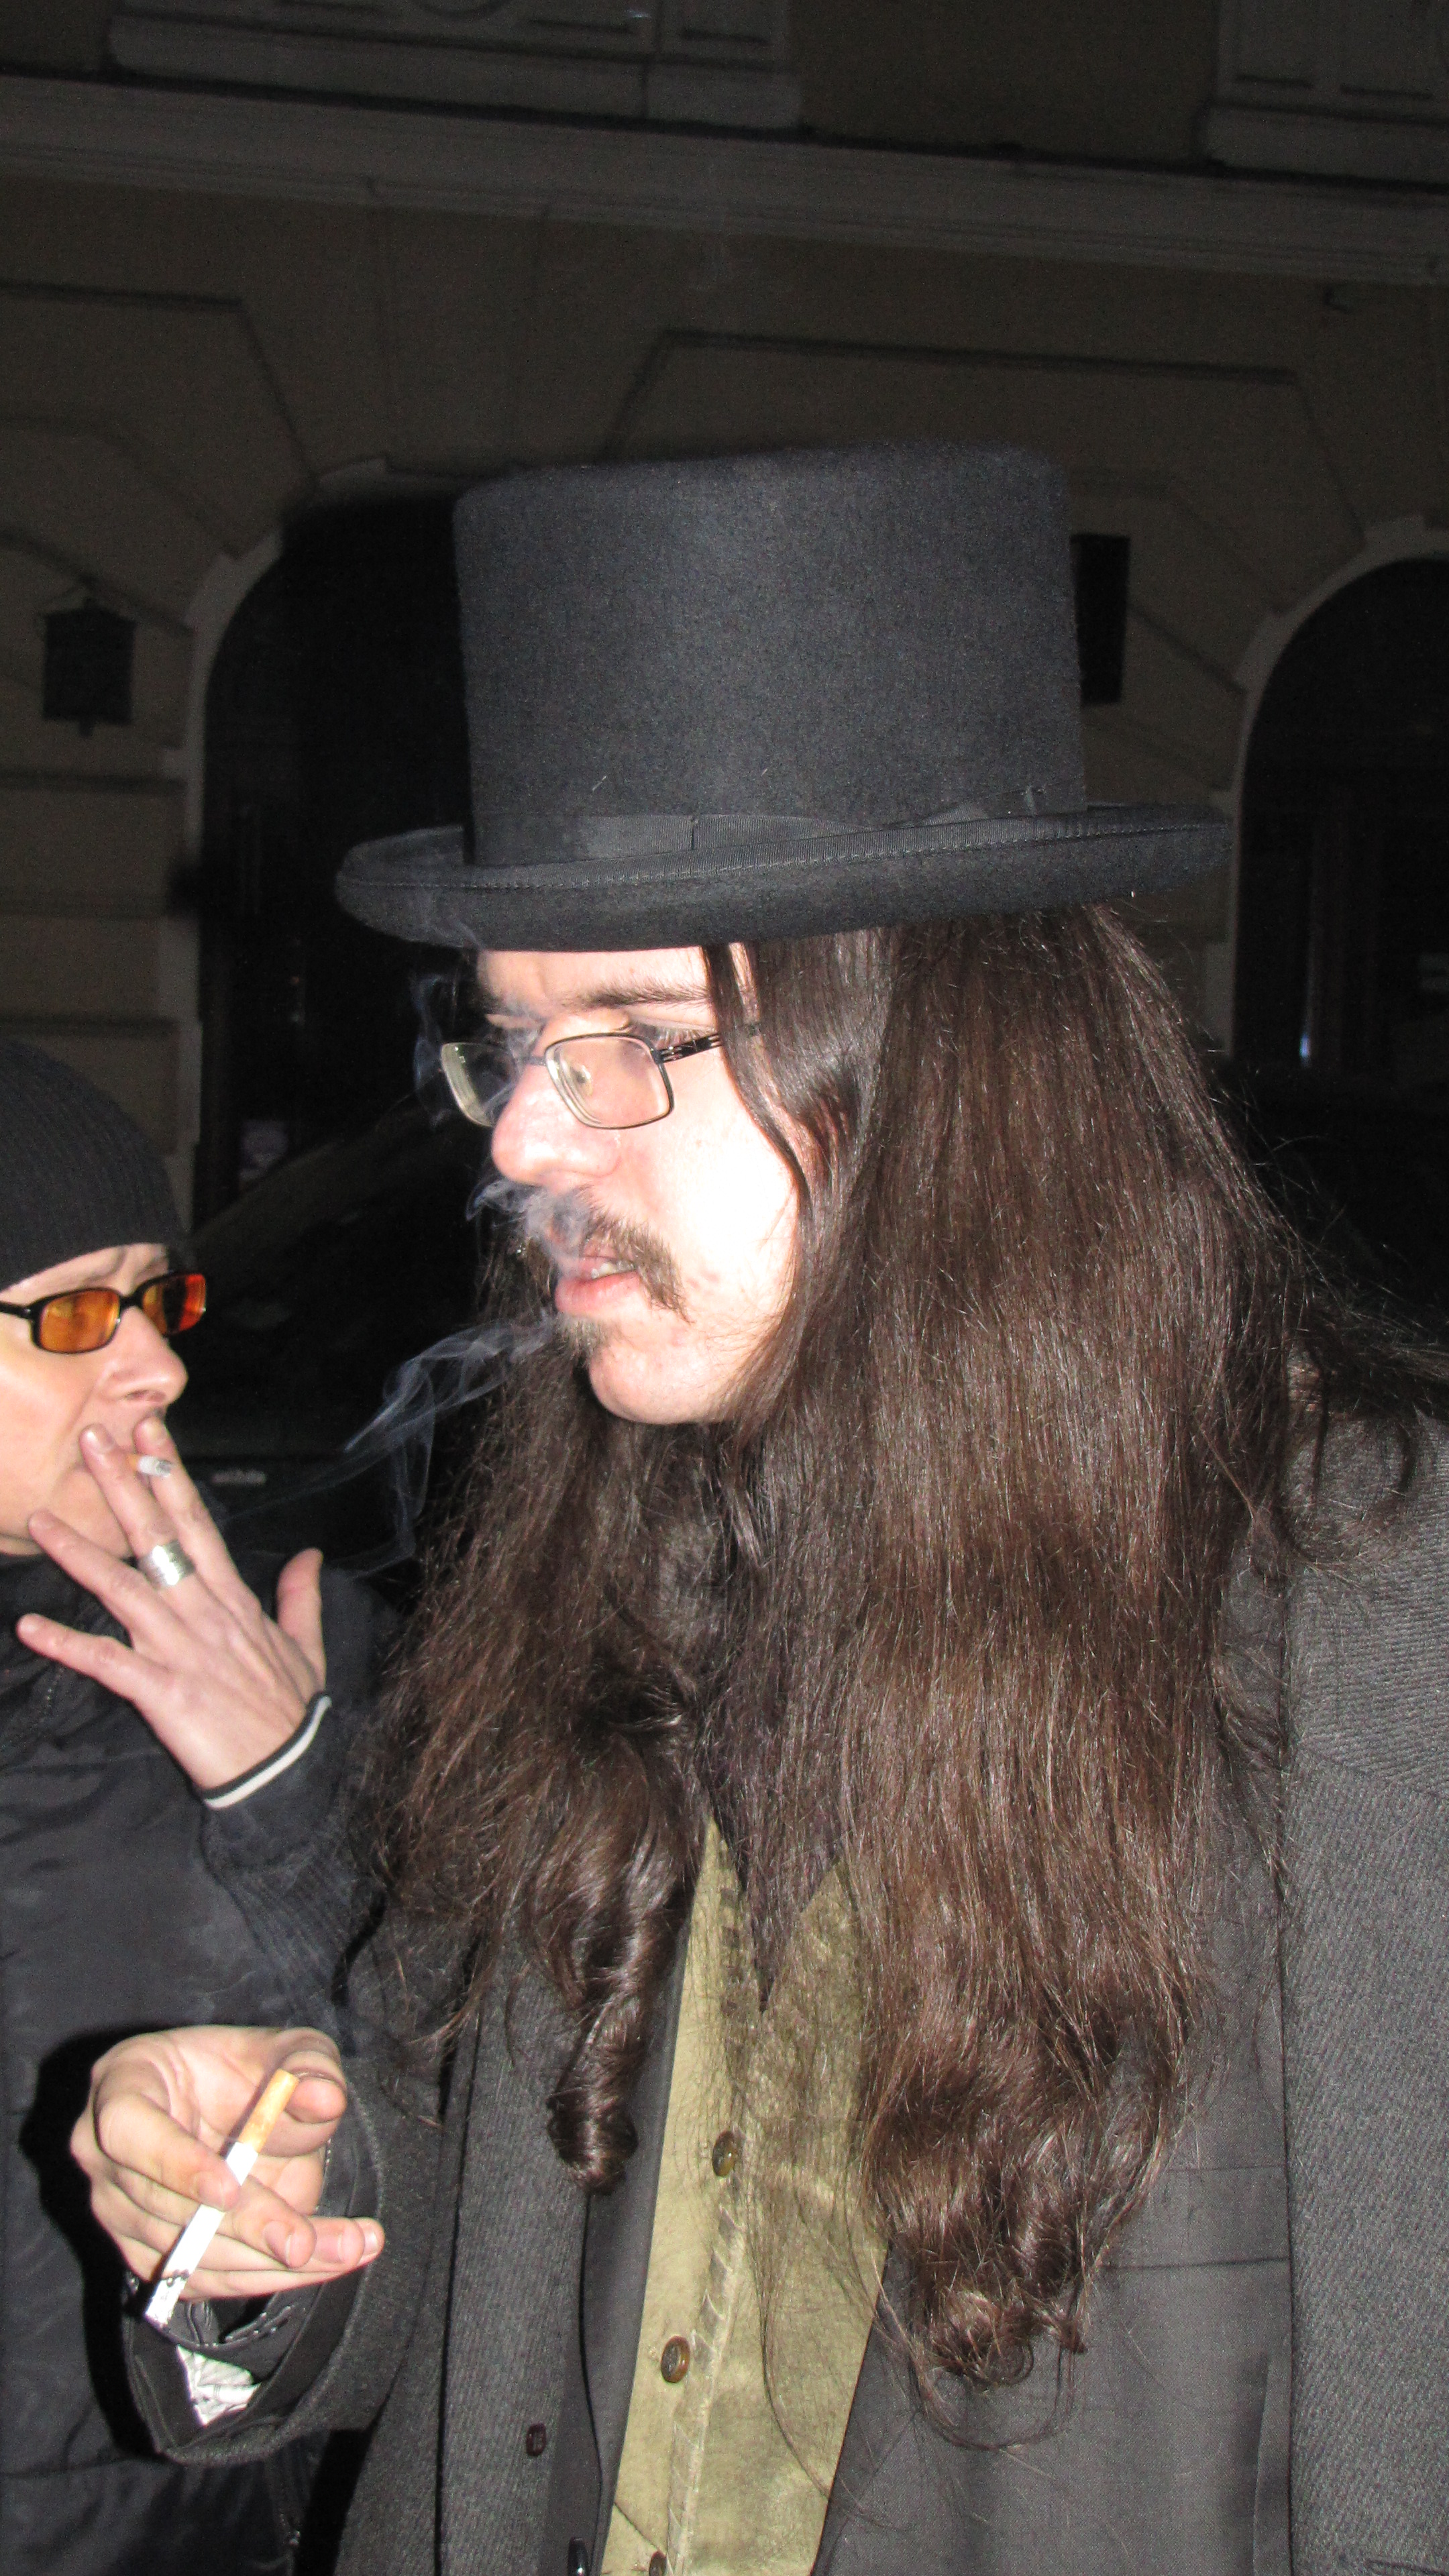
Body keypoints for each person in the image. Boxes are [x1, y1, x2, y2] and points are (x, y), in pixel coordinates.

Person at [72, 448, 1448, 2573]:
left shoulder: (1368, 1614)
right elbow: (461, 2221)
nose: (524, 1146)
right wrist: (259, 2205)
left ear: (950, 1070)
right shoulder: (591, 1557)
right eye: (514, 1044)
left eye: (630, 1036)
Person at [0, 1040, 384, 2576]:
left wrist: (291, 1781)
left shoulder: (291, 1647)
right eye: (74, 1316)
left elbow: (440, 2096)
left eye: (159, 1299)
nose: (154, 1365)